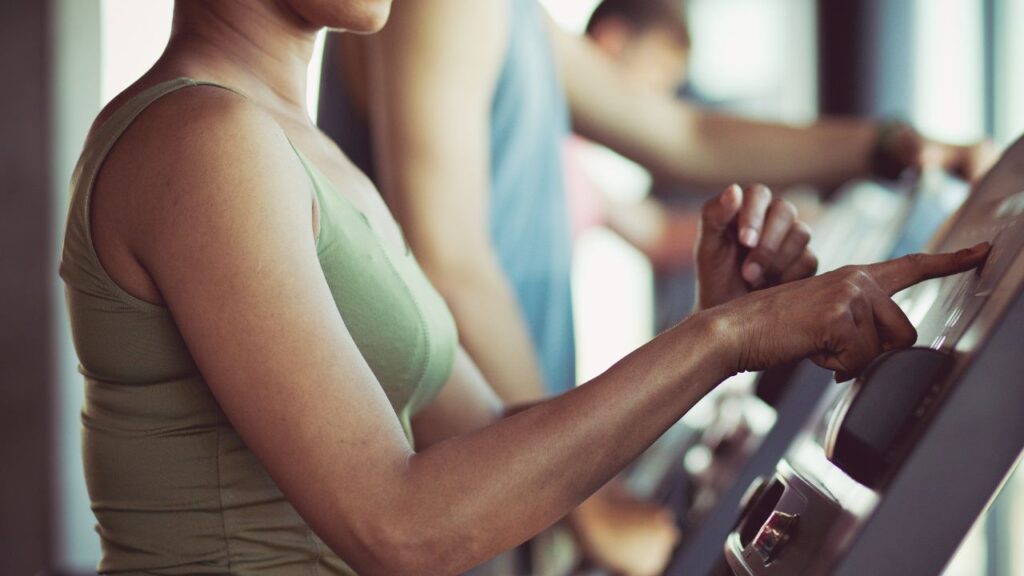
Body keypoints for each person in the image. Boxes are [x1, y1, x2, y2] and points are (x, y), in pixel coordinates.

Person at [60, 1, 989, 574]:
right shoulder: (202, 143)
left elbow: (490, 437)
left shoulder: (306, 159)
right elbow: (400, 527)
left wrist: (715, 330)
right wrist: (726, 340)